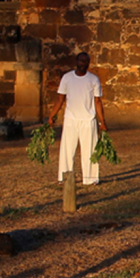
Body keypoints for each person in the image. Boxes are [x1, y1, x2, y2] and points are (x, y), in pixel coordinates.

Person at [49, 51, 107, 185]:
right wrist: (52, 116)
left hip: (88, 120)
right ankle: (65, 177)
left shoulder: (93, 79)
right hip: (71, 119)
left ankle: (90, 179)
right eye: (81, 61)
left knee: (90, 150)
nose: (83, 64)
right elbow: (60, 99)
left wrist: (102, 122)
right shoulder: (67, 78)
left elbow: (98, 102)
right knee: (67, 150)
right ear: (76, 62)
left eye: (86, 62)